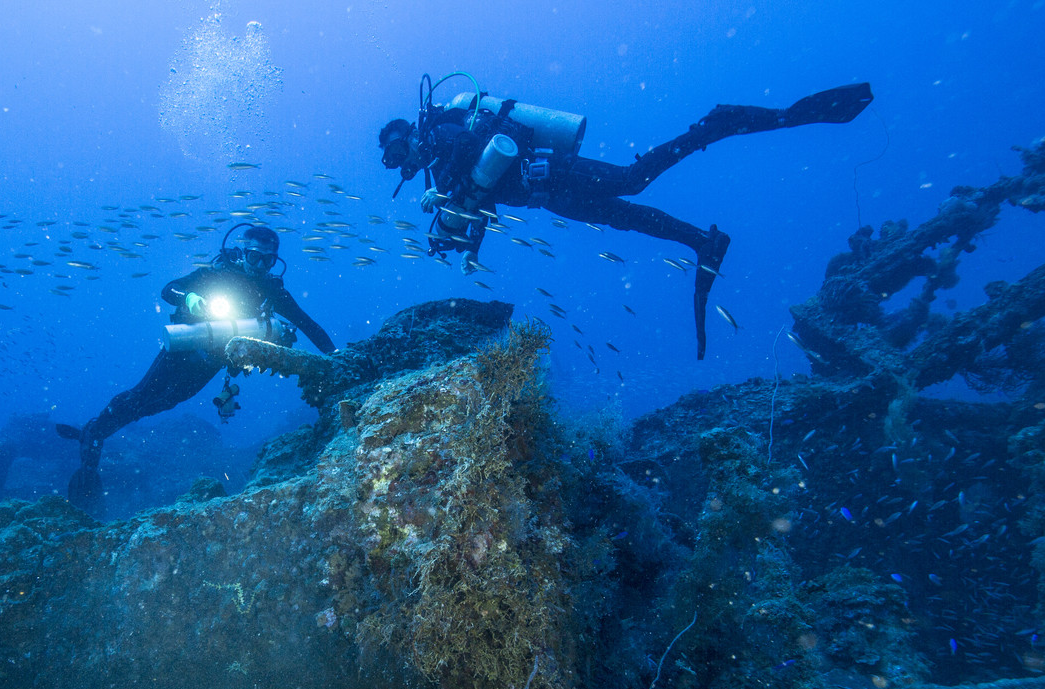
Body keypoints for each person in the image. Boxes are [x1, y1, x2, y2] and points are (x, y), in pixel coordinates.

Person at [378, 74, 874, 358]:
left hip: (547, 171)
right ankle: (701, 241)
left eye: (398, 152)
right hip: (546, 196)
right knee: (626, 217)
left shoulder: (440, 134)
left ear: (409, 137)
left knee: (631, 181)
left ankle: (714, 126)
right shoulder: (438, 168)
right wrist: (467, 246)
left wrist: (446, 194)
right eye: (394, 161)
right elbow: (479, 200)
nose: (402, 163)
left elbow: (473, 149)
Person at [57, 224, 336, 510]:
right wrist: (189, 298)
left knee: (165, 402)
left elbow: (308, 324)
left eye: (269, 260)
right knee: (141, 395)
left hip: (212, 361)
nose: (261, 266)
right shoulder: (214, 275)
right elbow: (169, 289)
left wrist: (335, 356)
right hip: (184, 347)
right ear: (243, 253)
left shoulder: (272, 290)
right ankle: (95, 433)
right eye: (255, 257)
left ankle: (99, 429)